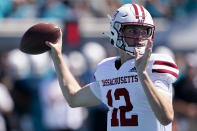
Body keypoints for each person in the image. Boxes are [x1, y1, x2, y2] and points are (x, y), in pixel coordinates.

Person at [46, 3, 179, 131]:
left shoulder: (155, 65)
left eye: (144, 31)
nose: (139, 37)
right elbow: (74, 98)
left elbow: (166, 117)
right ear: (116, 32)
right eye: (132, 31)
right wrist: (57, 56)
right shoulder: (107, 69)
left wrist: (143, 75)